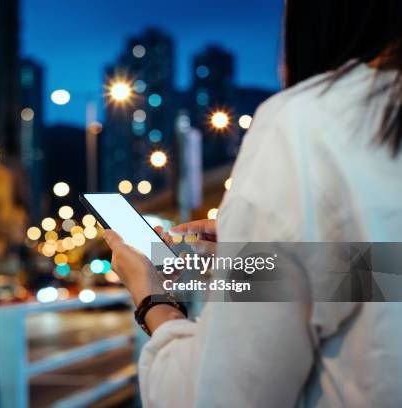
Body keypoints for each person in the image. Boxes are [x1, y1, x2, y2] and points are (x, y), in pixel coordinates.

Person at [103, 1, 402, 406]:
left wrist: (153, 299)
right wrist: (259, 263)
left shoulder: (308, 123)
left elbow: (221, 396)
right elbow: (387, 278)